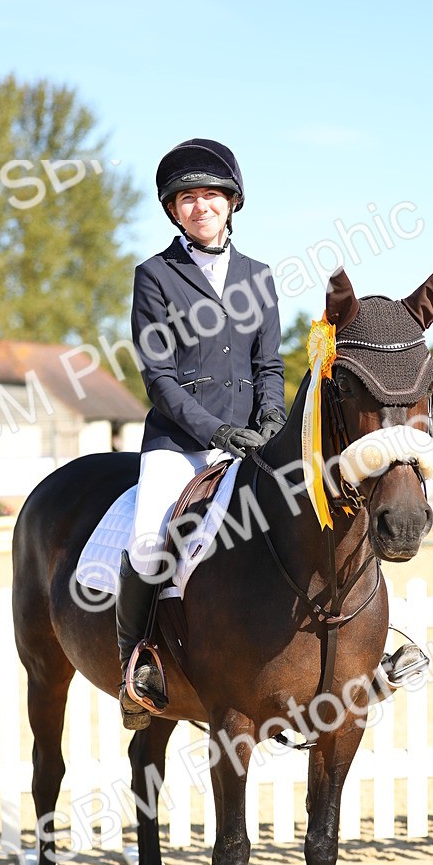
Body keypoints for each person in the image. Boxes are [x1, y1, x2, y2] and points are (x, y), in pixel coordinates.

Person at [116, 138, 287, 729]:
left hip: (253, 439)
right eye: (188, 198)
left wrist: (270, 422)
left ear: (232, 203)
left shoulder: (259, 276)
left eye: (212, 195)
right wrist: (217, 431)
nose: (201, 205)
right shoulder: (154, 276)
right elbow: (159, 378)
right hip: (180, 442)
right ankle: (134, 668)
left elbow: (270, 366)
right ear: (173, 210)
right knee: (146, 540)